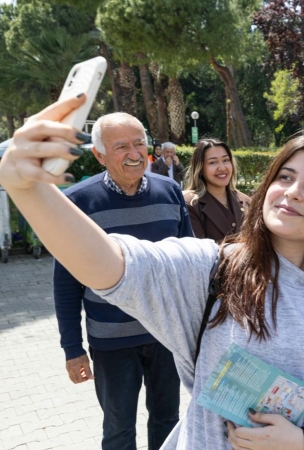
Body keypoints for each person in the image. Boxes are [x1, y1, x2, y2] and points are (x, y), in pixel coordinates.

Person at [0, 95, 304, 450]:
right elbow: (108, 264)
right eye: (284, 177)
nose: (291, 192)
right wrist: (27, 188)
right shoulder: (213, 268)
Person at [52, 112, 193, 449]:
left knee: (168, 421)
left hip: (166, 334)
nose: (134, 153)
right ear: (99, 155)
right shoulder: (79, 203)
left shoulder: (170, 191)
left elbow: (188, 265)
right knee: (118, 431)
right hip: (111, 341)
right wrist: (73, 349)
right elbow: (66, 284)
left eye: (139, 143)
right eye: (121, 146)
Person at [183, 137, 251, 243]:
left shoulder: (246, 201)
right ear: (200, 168)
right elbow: (197, 250)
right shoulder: (190, 203)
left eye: (226, 160)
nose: (222, 167)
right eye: (213, 162)